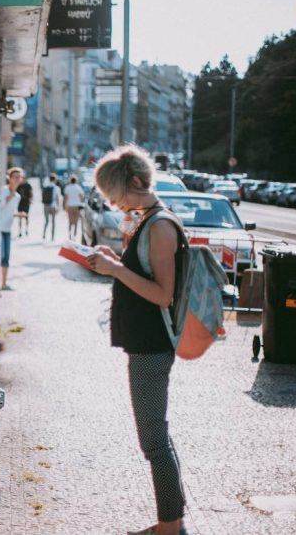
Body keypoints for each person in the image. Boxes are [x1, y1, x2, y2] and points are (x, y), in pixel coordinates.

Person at [85, 145, 189, 535]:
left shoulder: (160, 225)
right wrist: (111, 261)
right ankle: (172, 519)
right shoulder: (146, 220)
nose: (112, 202)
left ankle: (169, 526)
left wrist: (115, 269)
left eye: (115, 193)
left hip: (152, 344)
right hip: (144, 342)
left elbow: (163, 293)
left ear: (134, 182)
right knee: (156, 436)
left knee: (154, 441)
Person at [0, 167, 23, 292]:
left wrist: (19, 214)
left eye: (19, 177)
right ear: (10, 178)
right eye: (15, 177)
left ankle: (4, 283)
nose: (18, 179)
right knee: (0, 256)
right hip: (0, 228)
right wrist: (11, 195)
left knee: (6, 257)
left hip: (8, 228)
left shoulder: (18, 196)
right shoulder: (5, 190)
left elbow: (11, 212)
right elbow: (1, 206)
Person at [62, 175, 85, 240]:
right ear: (76, 181)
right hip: (77, 206)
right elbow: (81, 197)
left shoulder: (67, 188)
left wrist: (64, 206)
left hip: (70, 206)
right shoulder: (78, 188)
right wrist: (81, 203)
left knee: (70, 221)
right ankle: (74, 235)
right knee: (76, 221)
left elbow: (66, 198)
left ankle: (69, 234)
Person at [41, 173, 62, 241]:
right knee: (53, 222)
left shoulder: (46, 186)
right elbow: (57, 198)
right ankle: (52, 237)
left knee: (46, 221)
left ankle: (44, 234)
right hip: (53, 206)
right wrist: (58, 207)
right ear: (55, 179)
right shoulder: (57, 188)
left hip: (46, 205)